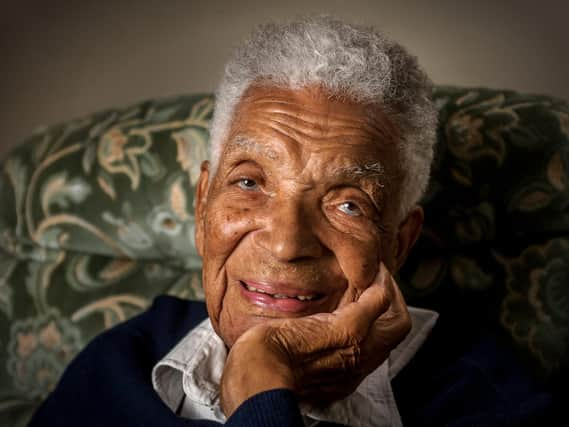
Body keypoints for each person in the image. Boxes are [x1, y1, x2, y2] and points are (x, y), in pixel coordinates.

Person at [29, 16, 554, 427]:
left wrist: (263, 391)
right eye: (250, 182)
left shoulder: (487, 400)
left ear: (399, 242)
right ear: (203, 206)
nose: (286, 244)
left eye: (348, 203)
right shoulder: (122, 365)